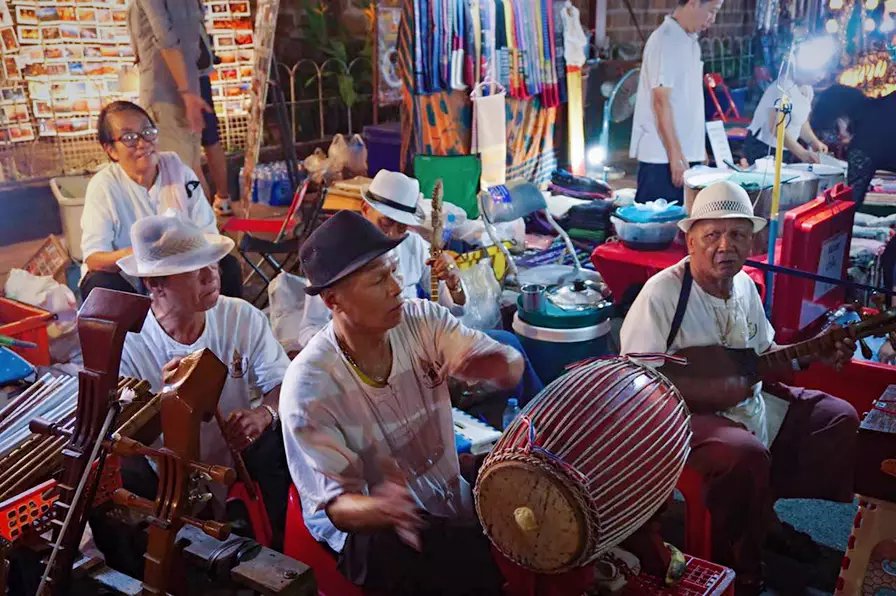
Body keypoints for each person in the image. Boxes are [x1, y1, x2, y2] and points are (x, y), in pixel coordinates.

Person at [620, 181, 858, 593]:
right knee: (743, 454)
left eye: (737, 234)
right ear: (690, 241)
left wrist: (816, 351)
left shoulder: (745, 285)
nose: (725, 246)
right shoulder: (661, 294)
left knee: (835, 419)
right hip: (679, 416)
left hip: (747, 400)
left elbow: (765, 354)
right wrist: (706, 393)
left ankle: (762, 515)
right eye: (712, 234)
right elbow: (636, 382)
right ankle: (738, 562)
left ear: (752, 242)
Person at [281, 210, 525, 594]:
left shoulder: (421, 320)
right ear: (333, 300)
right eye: (379, 279)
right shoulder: (309, 387)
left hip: (439, 489)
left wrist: (500, 365)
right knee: (456, 564)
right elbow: (339, 507)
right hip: (370, 525)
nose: (397, 287)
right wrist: (384, 508)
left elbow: (508, 361)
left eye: (394, 271)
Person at [91, 213, 290, 577]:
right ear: (155, 284)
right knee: (120, 485)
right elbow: (124, 435)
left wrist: (263, 415)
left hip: (233, 463)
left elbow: (283, 383)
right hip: (163, 476)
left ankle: (276, 551)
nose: (211, 275)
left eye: (211, 263)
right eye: (193, 269)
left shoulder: (241, 317)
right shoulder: (129, 343)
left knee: (281, 439)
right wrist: (168, 401)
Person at [297, 169, 544, 405]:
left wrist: (453, 282)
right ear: (365, 209)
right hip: (376, 355)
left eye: (401, 226)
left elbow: (453, 308)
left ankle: (540, 418)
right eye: (386, 222)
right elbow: (309, 331)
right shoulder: (337, 261)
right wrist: (355, 349)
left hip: (419, 342)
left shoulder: (413, 245)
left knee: (507, 347)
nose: (392, 234)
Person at [79, 101, 242, 300]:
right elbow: (95, 258)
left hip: (182, 271)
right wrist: (144, 254)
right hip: (128, 279)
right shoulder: (103, 186)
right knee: (99, 285)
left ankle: (214, 319)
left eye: (147, 132)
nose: (142, 143)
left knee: (228, 267)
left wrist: (180, 257)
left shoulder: (180, 173)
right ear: (111, 149)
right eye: (129, 137)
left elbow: (208, 234)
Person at [630, 0, 723, 203]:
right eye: (711, 11)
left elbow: (688, 102)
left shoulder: (690, 41)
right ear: (693, 3)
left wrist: (699, 150)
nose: (712, 19)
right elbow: (660, 101)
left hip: (685, 156)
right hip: (662, 159)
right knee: (658, 220)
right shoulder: (666, 39)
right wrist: (675, 155)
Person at [128, 0, 211, 177]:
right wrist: (190, 92)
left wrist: (186, 93)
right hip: (190, 92)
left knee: (175, 177)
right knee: (192, 173)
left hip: (164, 95)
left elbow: (166, 39)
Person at [811, 85, 896, 205]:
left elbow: (852, 201)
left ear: (841, 119)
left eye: (834, 132)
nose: (838, 139)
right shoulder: (884, 105)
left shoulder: (862, 145)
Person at [743, 67, 828, 164]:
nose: (821, 76)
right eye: (818, 71)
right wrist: (802, 153)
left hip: (786, 147)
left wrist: (813, 141)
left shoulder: (808, 89)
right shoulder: (782, 87)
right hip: (763, 147)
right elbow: (776, 127)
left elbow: (801, 121)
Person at [198, 20, 233, 216]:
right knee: (211, 140)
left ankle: (202, 214)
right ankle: (223, 199)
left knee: (189, 152)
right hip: (200, 75)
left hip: (181, 81)